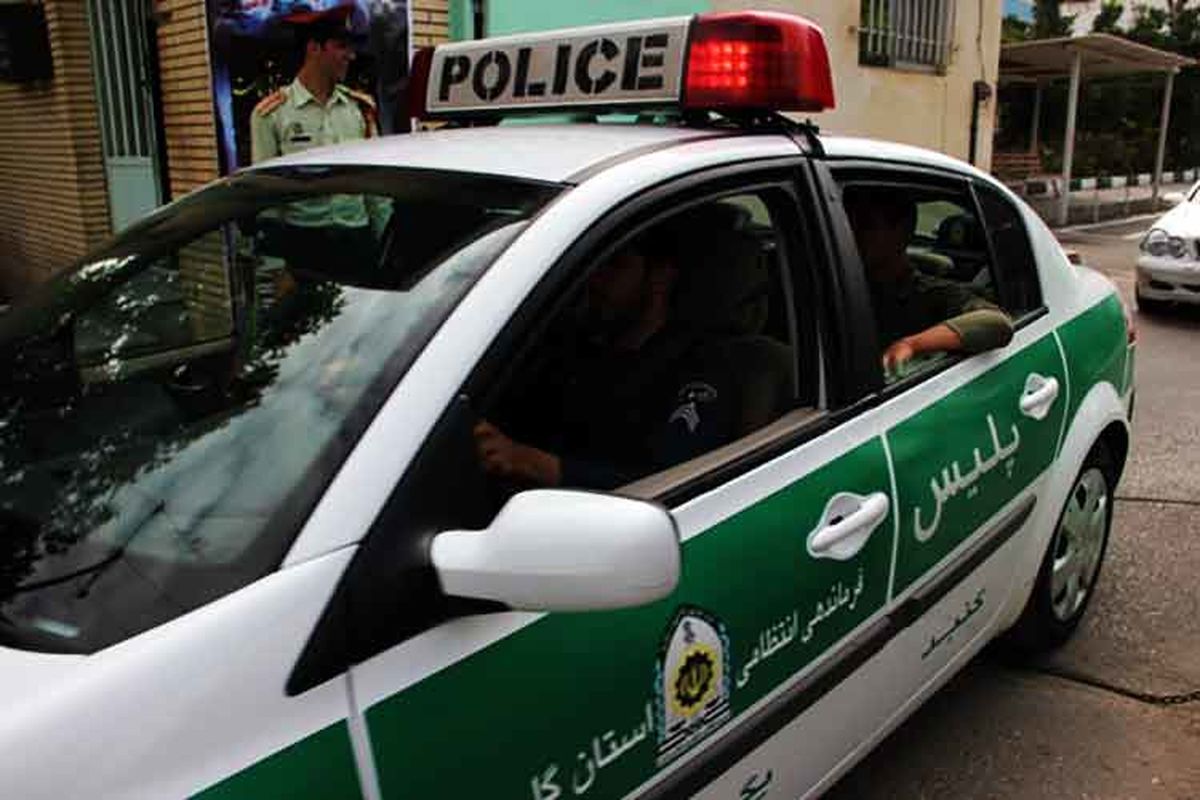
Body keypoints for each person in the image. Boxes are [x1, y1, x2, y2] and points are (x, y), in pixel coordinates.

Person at [474, 227, 743, 491]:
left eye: (615, 266)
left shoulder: (698, 369)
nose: (596, 280)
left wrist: (533, 464)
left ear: (660, 278)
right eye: (595, 266)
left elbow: (675, 486)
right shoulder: (573, 352)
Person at [844, 186, 1013, 375]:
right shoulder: (842, 285)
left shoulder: (930, 292)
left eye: (866, 226)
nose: (852, 234)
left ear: (901, 232)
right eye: (847, 224)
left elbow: (997, 322)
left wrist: (911, 345)